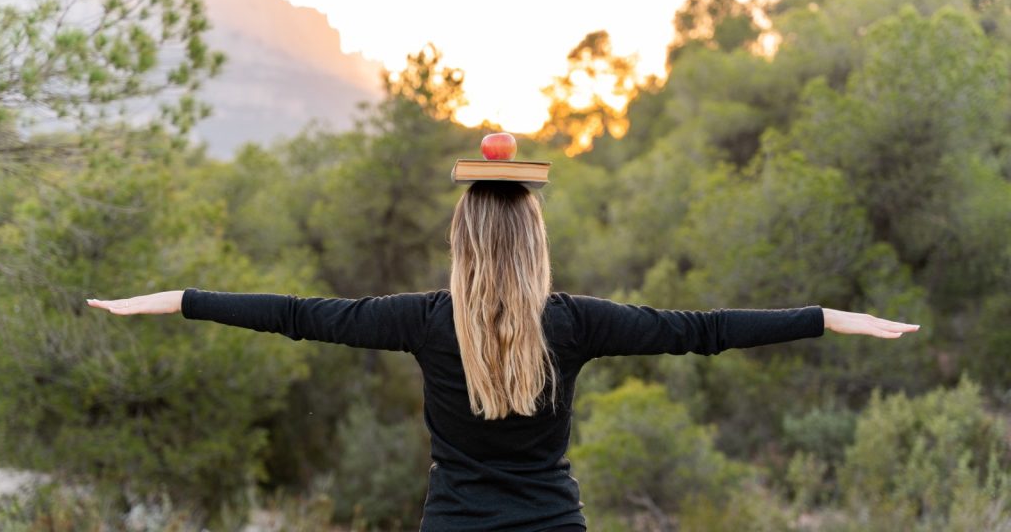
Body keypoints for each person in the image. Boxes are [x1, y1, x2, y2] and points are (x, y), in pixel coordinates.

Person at [86, 180, 919, 532]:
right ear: (535, 243)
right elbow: (701, 329)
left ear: (461, 244)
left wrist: (175, 299)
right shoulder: (580, 323)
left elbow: (298, 316)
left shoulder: (420, 319)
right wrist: (828, 317)